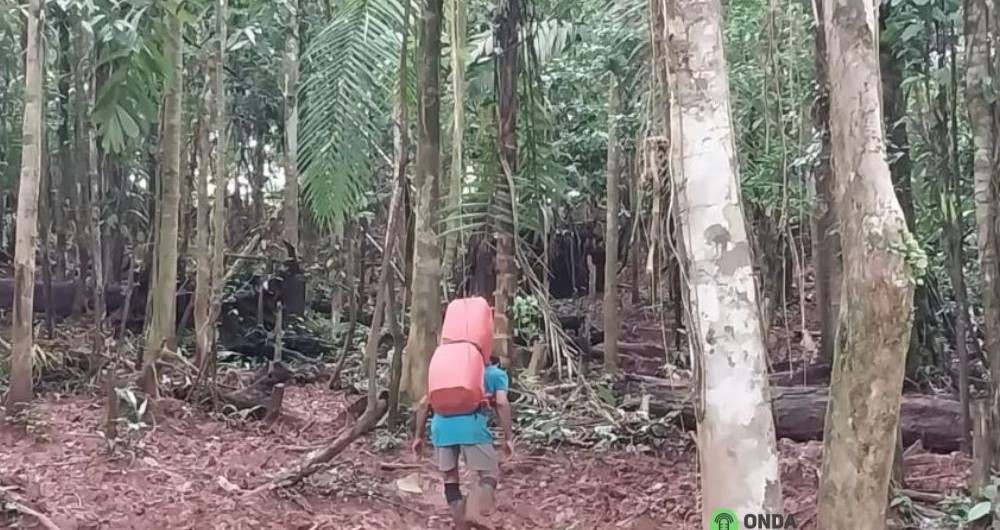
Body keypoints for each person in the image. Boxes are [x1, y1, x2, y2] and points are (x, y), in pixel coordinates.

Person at [412, 354, 514, 527]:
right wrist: (509, 437)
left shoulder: (443, 374)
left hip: (440, 426)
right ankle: (474, 511)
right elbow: (502, 404)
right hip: (472, 426)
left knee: (450, 477)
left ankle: (461, 522)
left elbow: (423, 405)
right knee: (489, 474)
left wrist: (418, 436)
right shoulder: (495, 373)